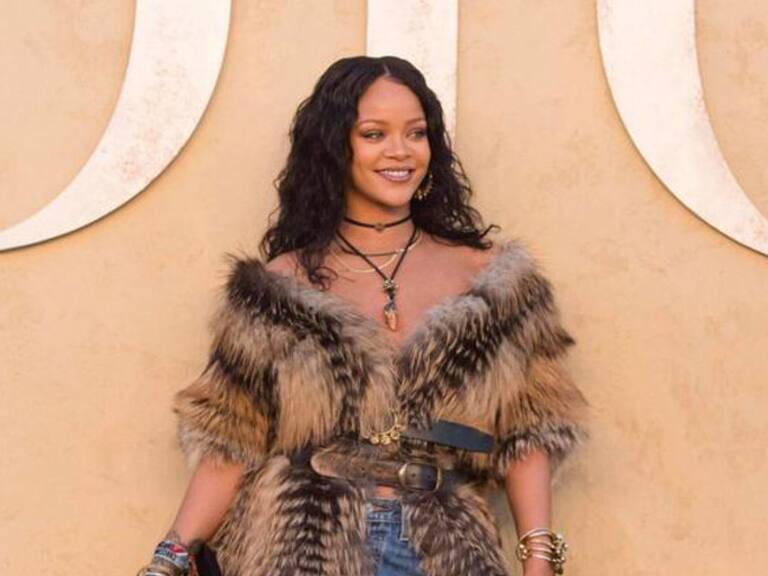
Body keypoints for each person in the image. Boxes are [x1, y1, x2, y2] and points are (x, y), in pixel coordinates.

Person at [137, 56, 588, 576]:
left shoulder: (496, 282)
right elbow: (230, 442)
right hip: (302, 548)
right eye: (374, 134)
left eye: (416, 133)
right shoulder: (275, 289)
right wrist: (168, 559)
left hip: (447, 551)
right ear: (335, 147)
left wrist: (539, 559)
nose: (400, 151)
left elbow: (530, 433)